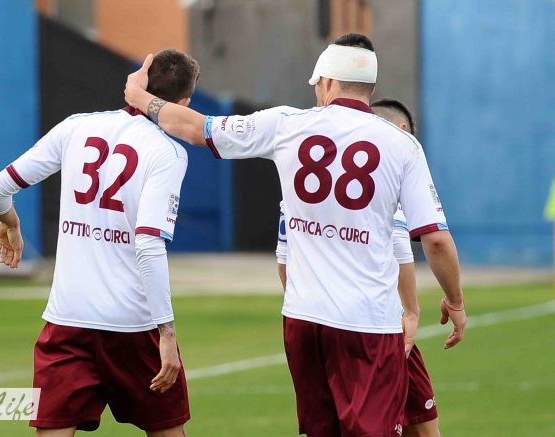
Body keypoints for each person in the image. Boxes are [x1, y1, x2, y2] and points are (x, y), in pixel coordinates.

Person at [124, 34, 467, 436]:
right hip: (367, 322)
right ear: (369, 89)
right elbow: (436, 240)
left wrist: (140, 97)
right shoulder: (403, 145)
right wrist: (455, 301)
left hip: (303, 319)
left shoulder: (286, 123)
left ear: (328, 81)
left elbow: (195, 127)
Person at [0, 49, 198, 437]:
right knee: (168, 430)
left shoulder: (76, 127)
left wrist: (10, 223)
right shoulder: (168, 152)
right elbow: (148, 244)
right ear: (183, 104)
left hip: (68, 320)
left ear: (138, 84)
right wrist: (167, 332)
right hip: (133, 324)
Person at [277, 97, 441, 437]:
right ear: (401, 131)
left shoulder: (298, 190)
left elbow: (284, 258)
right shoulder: (384, 179)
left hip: (311, 319)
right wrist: (412, 310)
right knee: (418, 428)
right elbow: (405, 246)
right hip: (376, 324)